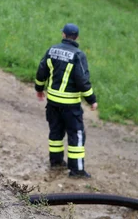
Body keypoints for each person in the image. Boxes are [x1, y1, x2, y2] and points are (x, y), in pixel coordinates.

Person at [34, 23, 98, 178]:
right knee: (76, 134)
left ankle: (56, 162)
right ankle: (77, 170)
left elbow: (42, 70)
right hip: (70, 105)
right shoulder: (78, 55)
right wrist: (91, 100)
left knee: (55, 131)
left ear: (63, 34)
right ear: (77, 37)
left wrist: (39, 88)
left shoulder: (52, 50)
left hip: (53, 102)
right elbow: (82, 81)